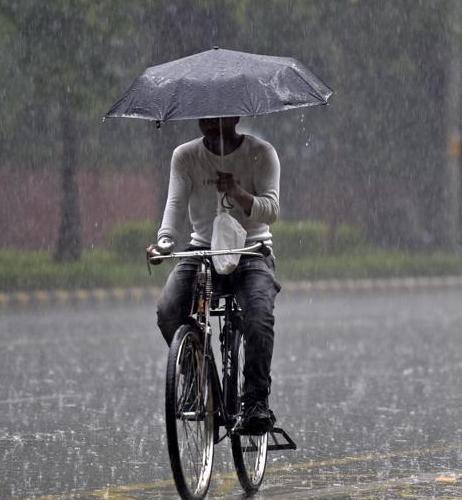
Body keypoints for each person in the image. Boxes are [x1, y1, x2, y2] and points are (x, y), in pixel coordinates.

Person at [147, 116, 281, 433]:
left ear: (234, 117)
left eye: (217, 117)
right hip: (202, 249)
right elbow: (175, 203)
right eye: (204, 118)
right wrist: (164, 243)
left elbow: (272, 210)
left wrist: (237, 192)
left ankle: (256, 403)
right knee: (168, 309)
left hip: (251, 251)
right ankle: (198, 380)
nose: (209, 124)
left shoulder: (262, 153)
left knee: (259, 317)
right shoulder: (185, 156)